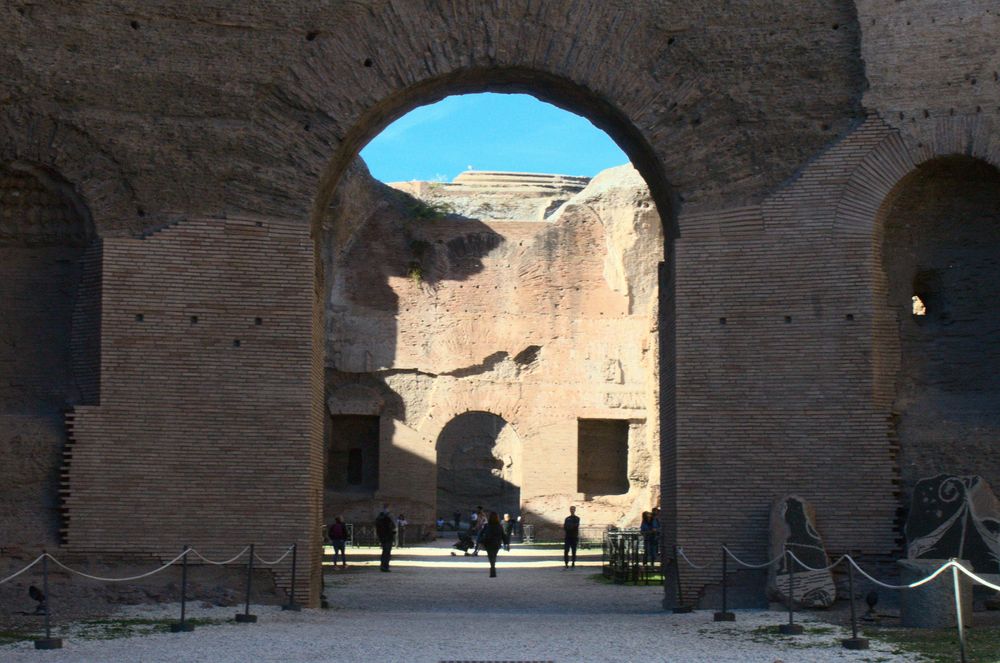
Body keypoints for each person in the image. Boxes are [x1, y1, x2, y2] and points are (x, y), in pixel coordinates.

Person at [482, 511, 508, 577]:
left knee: (490, 556)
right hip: (496, 543)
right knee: (494, 555)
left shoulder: (487, 526)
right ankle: (493, 567)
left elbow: (482, 534)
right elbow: (503, 535)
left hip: (488, 543)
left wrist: (481, 541)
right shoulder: (499, 526)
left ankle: (492, 567)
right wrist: (506, 543)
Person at [374, 504, 396, 572]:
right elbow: (393, 527)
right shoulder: (389, 517)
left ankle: (383, 566)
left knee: (384, 551)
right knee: (387, 552)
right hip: (388, 536)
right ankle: (385, 566)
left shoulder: (379, 518)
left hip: (382, 536)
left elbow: (377, 526)